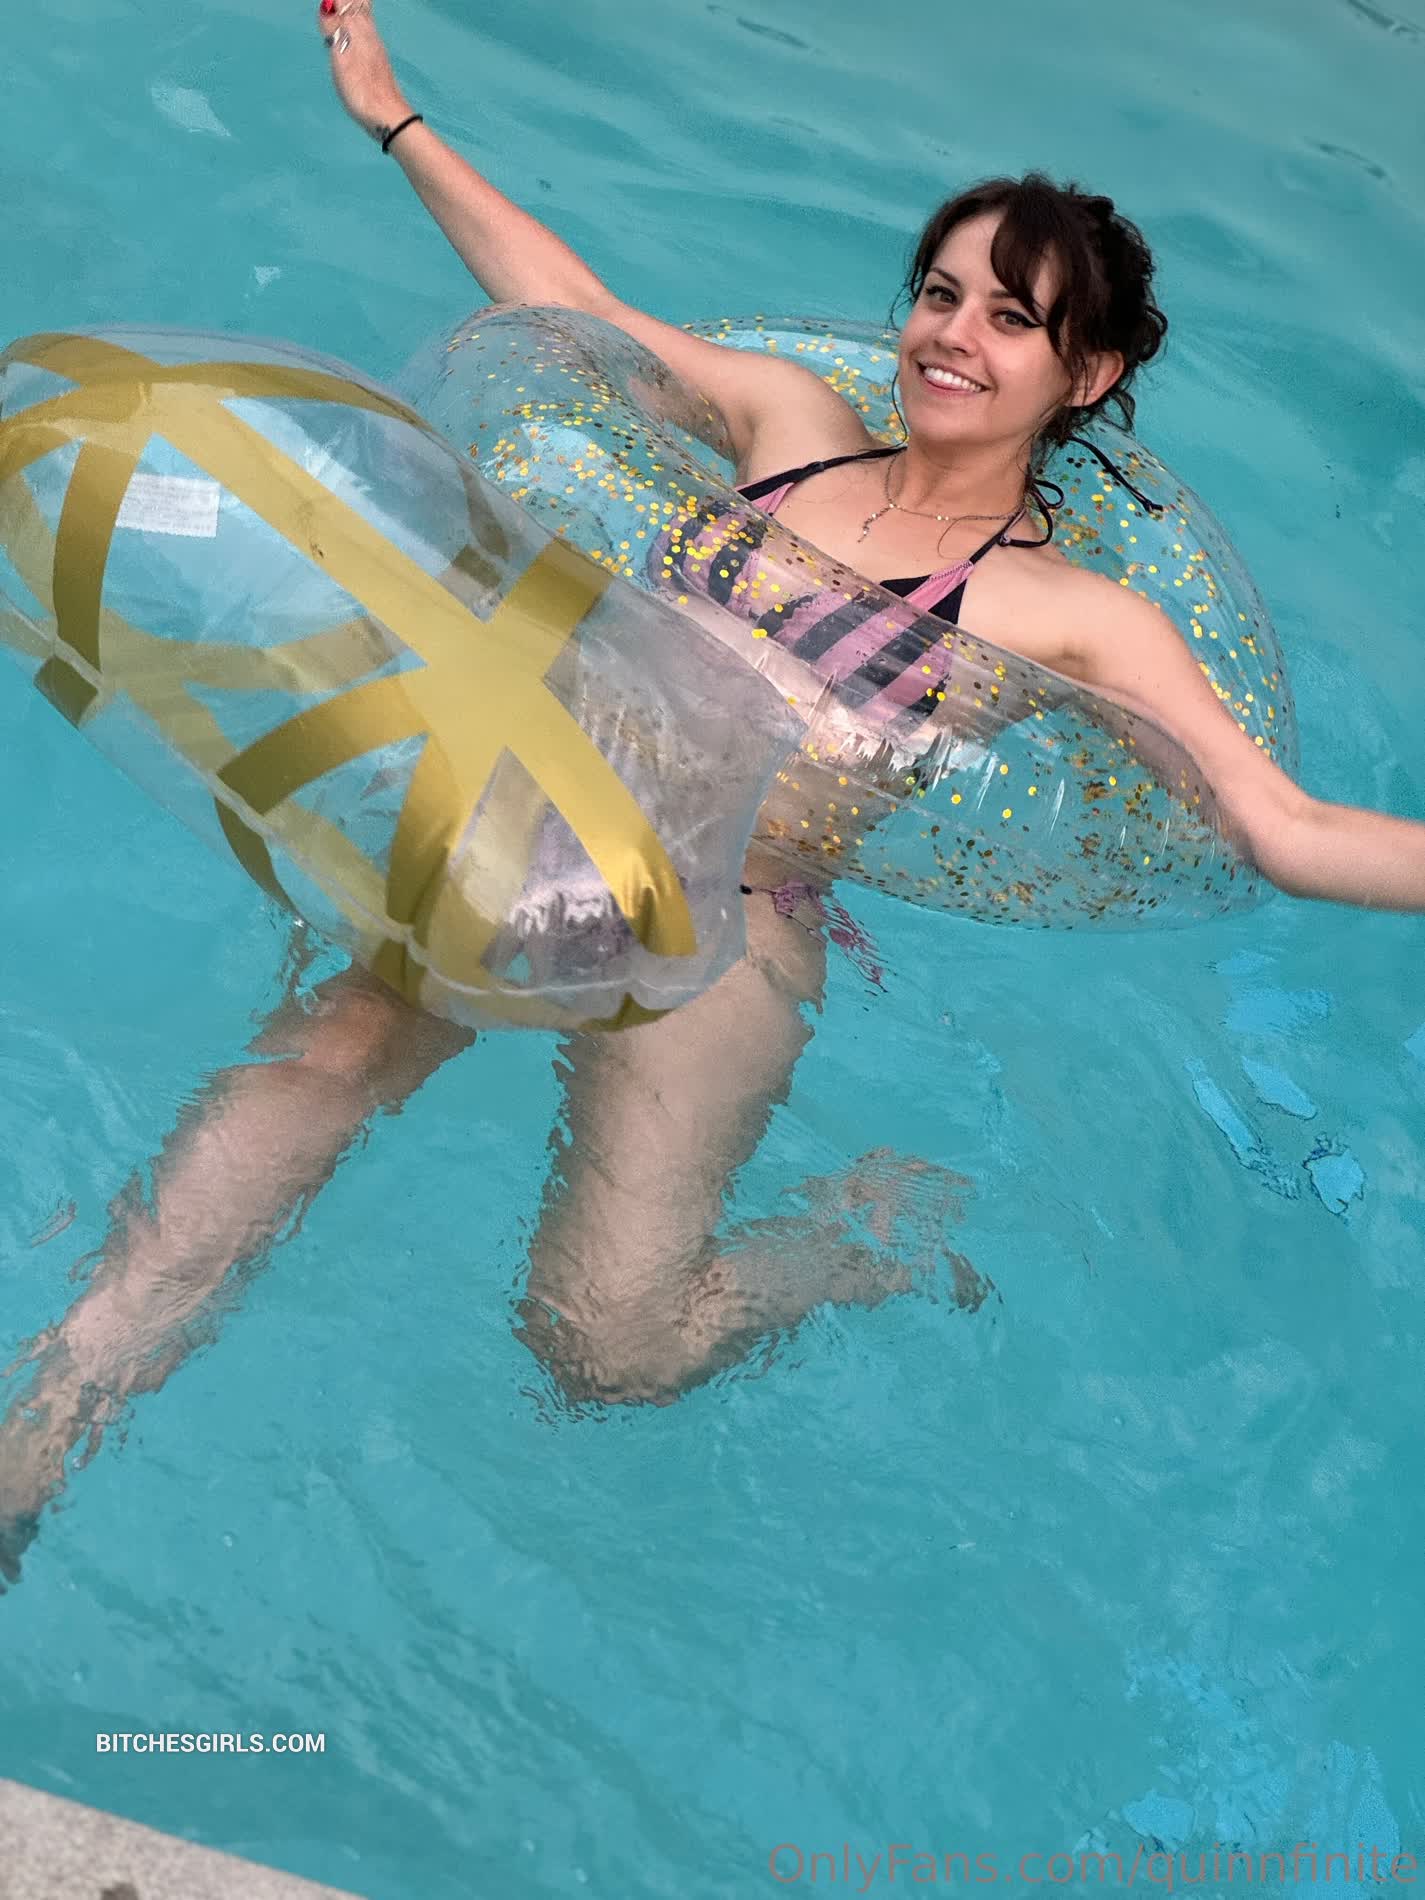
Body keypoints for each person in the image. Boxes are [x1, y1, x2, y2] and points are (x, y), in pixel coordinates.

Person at [3, 0, 1423, 1583]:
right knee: (333, 1050)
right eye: (938, 293)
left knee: (601, 1343)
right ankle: (43, 1432)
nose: (951, 337)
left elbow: (1279, 826)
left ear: (1083, 372)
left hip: (726, 919)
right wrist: (394, 121)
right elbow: (572, 317)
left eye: (1009, 319)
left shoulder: (1075, 620)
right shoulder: (790, 429)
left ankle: (868, 1235)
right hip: (539, 815)